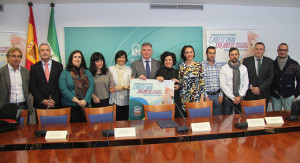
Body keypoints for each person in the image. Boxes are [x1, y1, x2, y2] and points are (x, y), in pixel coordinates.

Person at [59, 50, 94, 123]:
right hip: (70, 106)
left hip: (85, 105)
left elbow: (91, 87)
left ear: (82, 60)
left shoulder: (87, 72)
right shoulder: (65, 72)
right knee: (73, 131)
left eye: (79, 57)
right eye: (75, 57)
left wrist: (85, 100)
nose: (77, 59)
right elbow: (63, 89)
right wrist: (77, 101)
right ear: (71, 59)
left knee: (86, 130)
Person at [0, 47, 33, 120]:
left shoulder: (26, 72)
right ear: (8, 58)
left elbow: (29, 88)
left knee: (25, 130)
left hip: (23, 106)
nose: (16, 59)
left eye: (18, 56)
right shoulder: (1, 72)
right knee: (9, 130)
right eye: (13, 56)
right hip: (7, 107)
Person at [30, 43, 63, 109]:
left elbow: (61, 85)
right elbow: (32, 87)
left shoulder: (59, 66)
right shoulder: (34, 68)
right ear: (39, 53)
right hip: (40, 104)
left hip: (56, 104)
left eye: (47, 50)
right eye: (42, 50)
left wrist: (54, 100)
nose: (45, 52)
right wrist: (42, 100)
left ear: (50, 52)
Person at [243, 42, 274, 107]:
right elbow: (244, 77)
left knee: (262, 115)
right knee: (249, 115)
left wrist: (259, 88)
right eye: (256, 49)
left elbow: (270, 78)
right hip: (250, 93)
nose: (258, 51)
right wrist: (251, 87)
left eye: (261, 49)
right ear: (253, 50)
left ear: (264, 51)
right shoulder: (246, 61)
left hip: (264, 93)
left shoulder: (269, 61)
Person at [178, 45, 207, 116]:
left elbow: (202, 83)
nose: (189, 54)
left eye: (191, 52)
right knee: (186, 121)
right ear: (184, 54)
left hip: (196, 97)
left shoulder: (199, 65)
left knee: (196, 120)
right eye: (187, 53)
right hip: (185, 98)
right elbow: (181, 82)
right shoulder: (181, 66)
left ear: (193, 53)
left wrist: (202, 98)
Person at [271, 43, 300, 111]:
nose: (282, 52)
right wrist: (270, 94)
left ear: (287, 51)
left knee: (291, 117)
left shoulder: (294, 64)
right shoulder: (272, 64)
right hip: (275, 96)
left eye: (284, 50)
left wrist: (296, 94)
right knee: (276, 117)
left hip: (289, 96)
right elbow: (270, 79)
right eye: (280, 50)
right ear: (277, 50)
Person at [220, 47, 249, 114]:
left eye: (236, 54)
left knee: (240, 119)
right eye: (232, 55)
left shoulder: (243, 68)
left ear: (238, 55)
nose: (234, 56)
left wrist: (240, 96)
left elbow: (246, 83)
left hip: (240, 97)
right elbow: (222, 84)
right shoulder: (224, 68)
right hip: (228, 98)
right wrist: (233, 97)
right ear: (229, 56)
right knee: (227, 120)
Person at [156, 51, 181, 117]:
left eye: (170, 60)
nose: (168, 61)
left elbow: (182, 84)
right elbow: (155, 85)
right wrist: (157, 78)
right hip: (163, 100)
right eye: (166, 60)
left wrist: (179, 86)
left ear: (173, 61)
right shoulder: (160, 71)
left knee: (175, 118)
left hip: (175, 100)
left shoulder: (177, 72)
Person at [109, 50, 131, 121]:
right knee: (115, 121)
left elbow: (131, 83)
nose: (121, 59)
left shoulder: (129, 70)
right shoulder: (110, 69)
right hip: (114, 99)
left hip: (126, 100)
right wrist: (123, 87)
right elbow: (110, 85)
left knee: (125, 121)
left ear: (126, 59)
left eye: (123, 57)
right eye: (120, 57)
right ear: (116, 59)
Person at [201, 46, 224, 115]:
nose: (212, 55)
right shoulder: (201, 65)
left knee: (217, 118)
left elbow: (222, 82)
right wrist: (205, 96)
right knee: (207, 117)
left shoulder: (219, 66)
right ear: (206, 54)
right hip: (207, 95)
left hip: (217, 95)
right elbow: (201, 82)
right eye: (210, 53)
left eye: (214, 53)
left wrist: (221, 95)